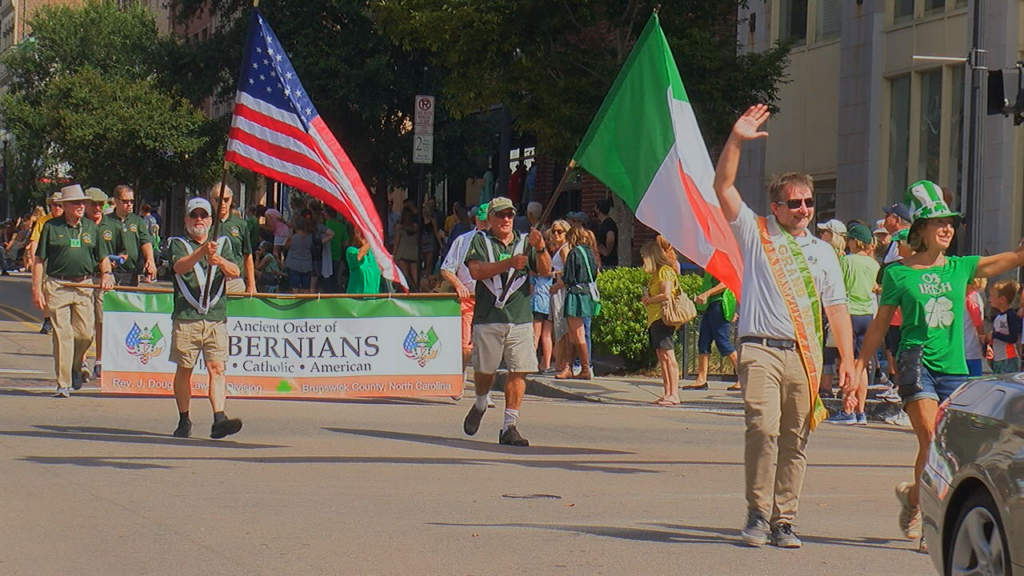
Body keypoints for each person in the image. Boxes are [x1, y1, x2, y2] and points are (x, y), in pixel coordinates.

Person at [716, 105, 855, 549]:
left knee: (796, 437)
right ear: (776, 206)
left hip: (804, 353)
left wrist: (848, 361)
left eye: (809, 202)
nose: (803, 209)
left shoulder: (825, 253)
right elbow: (722, 186)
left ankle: (784, 518)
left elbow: (836, 310)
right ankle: (757, 512)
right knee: (762, 427)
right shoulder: (756, 232)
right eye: (793, 202)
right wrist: (736, 139)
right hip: (759, 348)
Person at [855, 179, 1024, 545]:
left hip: (955, 368)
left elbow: (1011, 259)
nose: (947, 228)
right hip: (917, 363)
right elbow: (880, 325)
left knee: (947, 448)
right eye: (939, 222)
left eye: (951, 222)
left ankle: (914, 498)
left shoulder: (961, 267)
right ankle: (929, 519)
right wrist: (858, 368)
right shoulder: (898, 272)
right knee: (932, 440)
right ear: (921, 230)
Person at [461, 197, 551, 447]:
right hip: (488, 317)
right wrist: (508, 263)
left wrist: (541, 247)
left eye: (510, 215)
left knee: (518, 369)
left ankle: (509, 426)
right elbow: (476, 271)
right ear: (490, 219)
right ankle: (480, 402)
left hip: (520, 316)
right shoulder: (480, 240)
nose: (506, 220)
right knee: (485, 372)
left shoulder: (525, 242)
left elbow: (544, 271)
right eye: (500, 215)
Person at [169, 197, 242, 439]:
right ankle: (184, 418)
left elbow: (235, 271)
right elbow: (179, 267)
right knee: (185, 368)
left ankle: (219, 417)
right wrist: (202, 252)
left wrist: (218, 259)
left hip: (215, 315)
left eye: (204, 215)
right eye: (194, 215)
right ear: (186, 219)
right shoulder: (178, 243)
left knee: (217, 367)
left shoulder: (223, 243)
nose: (199, 220)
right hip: (187, 316)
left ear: (211, 220)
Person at [31, 185, 114, 397]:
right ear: (65, 205)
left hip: (84, 285)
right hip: (58, 285)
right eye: (76, 202)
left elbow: (102, 257)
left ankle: (77, 365)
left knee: (85, 334)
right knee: (62, 335)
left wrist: (106, 274)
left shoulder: (90, 228)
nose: (81, 206)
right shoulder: (51, 226)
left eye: (82, 202)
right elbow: (40, 260)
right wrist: (37, 289)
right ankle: (63, 383)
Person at [827, 222, 879, 425]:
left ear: (855, 242)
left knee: (846, 363)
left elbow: (839, 285)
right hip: (868, 314)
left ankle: (847, 409)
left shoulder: (847, 261)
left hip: (849, 314)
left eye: (849, 239)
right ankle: (861, 411)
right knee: (861, 364)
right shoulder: (874, 264)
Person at [439, 203, 491, 401]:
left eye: (488, 219)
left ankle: (483, 391)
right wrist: (458, 284)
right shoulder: (463, 241)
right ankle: (460, 377)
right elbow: (446, 268)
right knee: (465, 346)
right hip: (468, 298)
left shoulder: (498, 242)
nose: (486, 223)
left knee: (487, 346)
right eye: (483, 219)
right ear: (476, 219)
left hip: (490, 301)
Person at [85, 187, 125, 379]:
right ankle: (81, 360)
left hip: (105, 278)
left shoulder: (113, 226)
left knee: (102, 321)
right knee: (83, 322)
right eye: (93, 204)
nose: (97, 207)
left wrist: (118, 260)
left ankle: (99, 360)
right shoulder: (81, 224)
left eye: (101, 204)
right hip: (84, 278)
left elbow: (123, 251)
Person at [552, 224, 599, 380]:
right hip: (586, 293)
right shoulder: (589, 253)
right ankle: (569, 367)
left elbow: (568, 277)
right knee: (573, 333)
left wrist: (554, 288)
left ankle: (585, 368)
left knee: (577, 333)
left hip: (575, 294)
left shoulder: (574, 253)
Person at [639, 240, 680, 405]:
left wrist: (649, 299)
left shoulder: (665, 271)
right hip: (655, 318)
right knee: (662, 356)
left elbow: (667, 294)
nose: (642, 259)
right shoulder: (656, 274)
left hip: (662, 317)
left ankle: (674, 393)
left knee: (668, 354)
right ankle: (667, 392)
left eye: (644, 256)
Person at [689, 271, 739, 392]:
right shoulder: (711, 263)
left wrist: (707, 294)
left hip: (720, 304)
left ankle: (743, 376)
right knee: (703, 342)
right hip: (709, 305)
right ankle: (701, 379)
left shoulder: (723, 261)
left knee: (723, 342)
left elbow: (726, 283)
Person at [208, 184, 256, 295]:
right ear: (211, 200)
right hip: (211, 281)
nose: (222, 203)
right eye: (218, 200)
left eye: (226, 199)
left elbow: (247, 255)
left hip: (235, 281)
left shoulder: (241, 224)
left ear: (231, 199)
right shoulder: (207, 223)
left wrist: (251, 284)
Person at [28, 192, 64, 334]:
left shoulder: (68, 221)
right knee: (47, 291)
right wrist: (34, 259)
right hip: (46, 259)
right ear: (50, 206)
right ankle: (48, 320)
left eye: (61, 205)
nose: (58, 208)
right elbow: (34, 241)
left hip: (62, 259)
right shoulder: (43, 221)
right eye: (55, 205)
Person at [109, 185, 157, 286]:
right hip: (111, 273)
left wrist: (150, 260)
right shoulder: (106, 221)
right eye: (125, 201)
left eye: (132, 201)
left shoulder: (138, 221)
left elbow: (146, 242)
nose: (129, 204)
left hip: (132, 273)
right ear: (116, 201)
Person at [547, 220, 572, 377]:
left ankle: (561, 363)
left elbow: (568, 273)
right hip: (557, 290)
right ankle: (559, 363)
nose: (556, 234)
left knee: (562, 329)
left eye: (560, 231)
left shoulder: (565, 249)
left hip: (561, 291)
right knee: (558, 329)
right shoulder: (560, 249)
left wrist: (555, 284)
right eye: (554, 231)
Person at [530, 230, 555, 374]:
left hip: (537, 302)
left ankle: (532, 362)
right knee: (547, 335)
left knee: (535, 335)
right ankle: (546, 363)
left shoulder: (536, 271)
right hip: (548, 302)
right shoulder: (551, 269)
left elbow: (531, 288)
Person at [987, 279, 1021, 374]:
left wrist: (995, 335)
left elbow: (1013, 338)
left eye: (992, 295)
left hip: (1008, 359)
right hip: (997, 359)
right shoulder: (997, 316)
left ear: (1002, 299)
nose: (990, 299)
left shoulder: (1011, 315)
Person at [284, 216, 315, 294]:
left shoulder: (292, 238)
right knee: (306, 288)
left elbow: (285, 247)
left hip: (293, 264)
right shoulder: (310, 237)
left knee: (295, 288)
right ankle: (306, 305)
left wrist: (289, 235)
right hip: (307, 265)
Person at [345, 227, 381, 295]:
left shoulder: (374, 255)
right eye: (362, 235)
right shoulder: (351, 251)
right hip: (356, 300)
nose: (365, 238)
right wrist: (371, 241)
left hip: (373, 300)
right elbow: (359, 257)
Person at [964, 277, 988, 377]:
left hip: (959, 347)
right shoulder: (973, 297)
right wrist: (983, 339)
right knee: (974, 381)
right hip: (972, 347)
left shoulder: (960, 297)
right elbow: (978, 322)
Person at [324, 206, 350, 293]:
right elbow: (346, 242)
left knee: (325, 279)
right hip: (337, 256)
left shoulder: (326, 224)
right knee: (335, 279)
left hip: (326, 256)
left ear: (327, 214)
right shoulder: (342, 226)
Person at [393, 207, 420, 291]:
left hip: (403, 255)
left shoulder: (400, 230)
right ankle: (418, 291)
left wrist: (393, 255)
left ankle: (410, 292)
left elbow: (396, 244)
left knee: (406, 276)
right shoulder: (415, 229)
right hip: (414, 255)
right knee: (416, 278)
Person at [594, 198, 618, 269]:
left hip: (608, 263)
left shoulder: (608, 223)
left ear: (598, 210)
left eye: (595, 207)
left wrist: (607, 251)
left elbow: (611, 238)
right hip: (604, 261)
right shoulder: (604, 223)